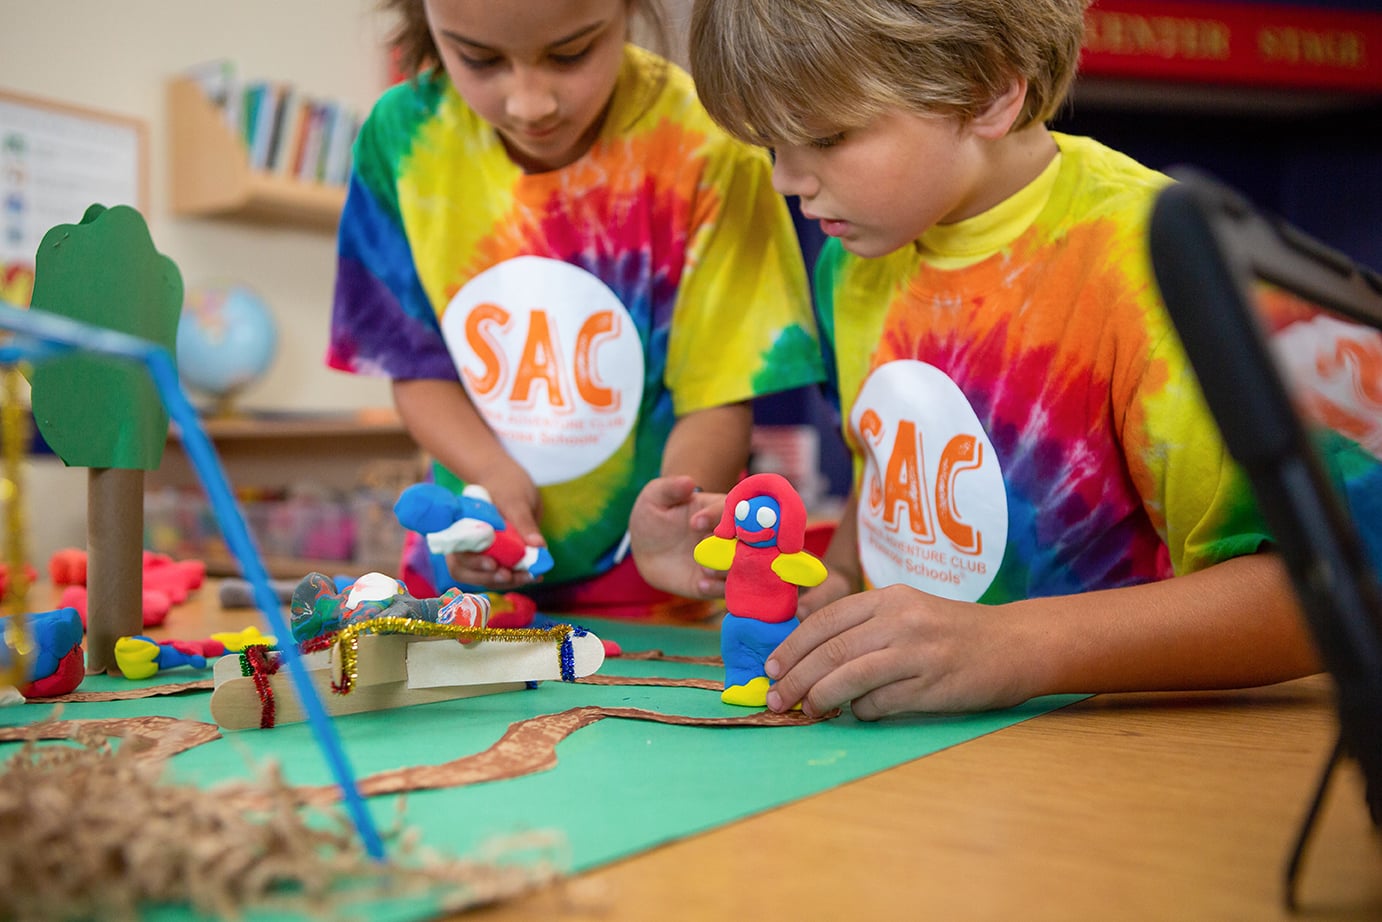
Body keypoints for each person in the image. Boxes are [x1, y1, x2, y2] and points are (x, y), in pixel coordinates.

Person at [652, 0, 1382, 718]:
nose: (786, 179)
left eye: (829, 135)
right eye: (772, 144)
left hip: (1111, 765)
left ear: (989, 93)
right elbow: (885, 489)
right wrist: (829, 589)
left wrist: (1011, 646)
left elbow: (1335, 591)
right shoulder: (854, 255)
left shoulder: (1149, 268)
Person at [328, 0, 823, 617]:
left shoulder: (706, 145)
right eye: (479, 60)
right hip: (462, 572)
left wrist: (674, 514)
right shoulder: (399, 138)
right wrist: (489, 472)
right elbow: (415, 367)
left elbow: (720, 391)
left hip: (644, 588)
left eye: (570, 54)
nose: (529, 104)